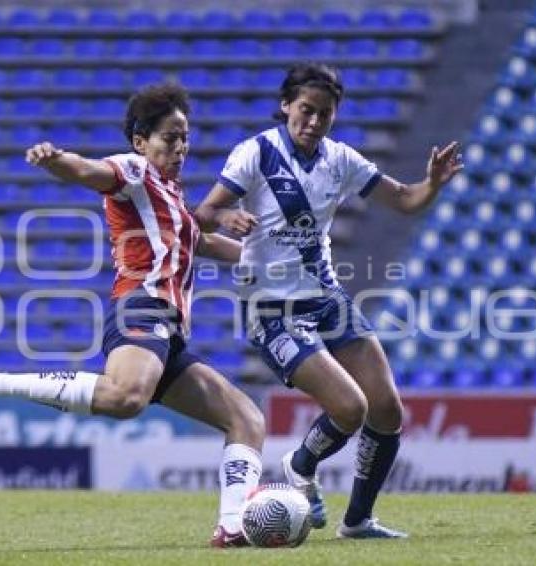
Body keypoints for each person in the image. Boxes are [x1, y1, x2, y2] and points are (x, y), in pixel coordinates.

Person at [0, 82, 265, 548]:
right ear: (141, 141)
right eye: (170, 136)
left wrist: (261, 259)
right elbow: (89, 171)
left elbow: (199, 241)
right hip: (141, 308)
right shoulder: (136, 170)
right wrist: (55, 158)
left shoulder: (171, 195)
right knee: (126, 398)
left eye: (185, 137)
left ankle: (232, 527)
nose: (181, 147)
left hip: (169, 334)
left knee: (247, 419)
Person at [195, 63, 463, 539]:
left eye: (325, 113)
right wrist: (226, 216)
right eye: (306, 110)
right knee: (351, 408)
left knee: (387, 409)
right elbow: (205, 212)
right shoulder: (256, 153)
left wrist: (433, 185)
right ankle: (301, 465)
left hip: (325, 297)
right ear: (286, 106)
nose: (314, 121)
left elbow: (402, 200)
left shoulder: (340, 159)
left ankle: (358, 520)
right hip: (272, 311)